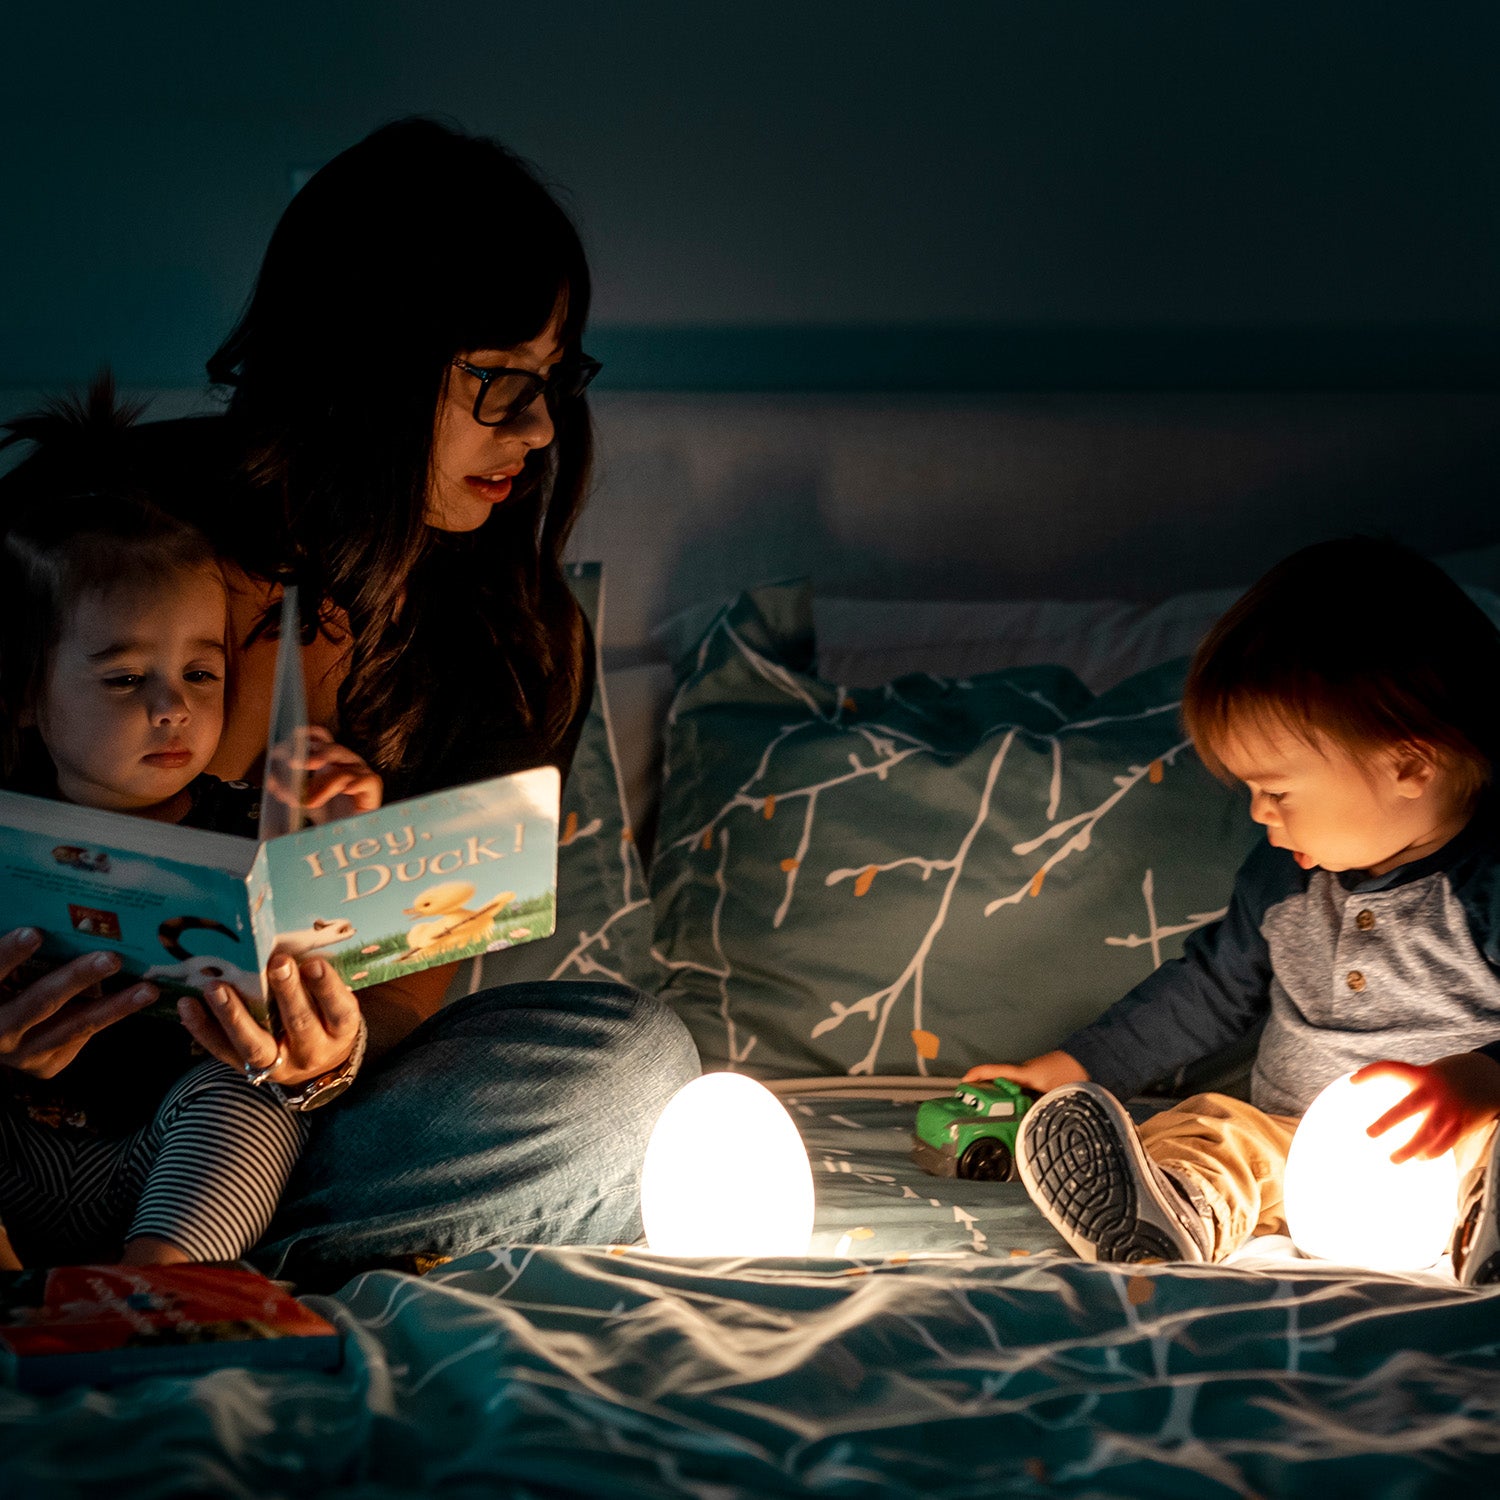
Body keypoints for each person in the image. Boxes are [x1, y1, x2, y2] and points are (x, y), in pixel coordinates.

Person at [0, 119, 698, 1286]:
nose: (536, 429)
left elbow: (410, 1001)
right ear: (368, 361)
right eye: (497, 382)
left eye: (554, 380)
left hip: (274, 1132)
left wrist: (329, 1049)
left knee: (638, 1072)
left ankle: (177, 1255)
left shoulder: (516, 638)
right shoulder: (99, 530)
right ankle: (196, 1266)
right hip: (24, 1117)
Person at [966, 537, 1500, 1284]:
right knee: (1206, 1128)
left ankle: (1485, 1219)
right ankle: (1172, 1213)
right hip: (1292, 1142)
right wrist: (1070, 1069)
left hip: (1459, 1144)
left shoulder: (1486, 885)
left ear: (1408, 765)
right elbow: (1206, 991)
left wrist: (1482, 1084)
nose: (1259, 814)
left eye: (1277, 792)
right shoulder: (1285, 879)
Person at [0, 386, 382, 1270]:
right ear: (27, 693)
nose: (173, 708)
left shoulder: (251, 829)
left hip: (165, 1167)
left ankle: (157, 1288)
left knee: (244, 1096)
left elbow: (323, 1012)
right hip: (17, 1159)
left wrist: (342, 852)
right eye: (127, 680)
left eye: (202, 674)